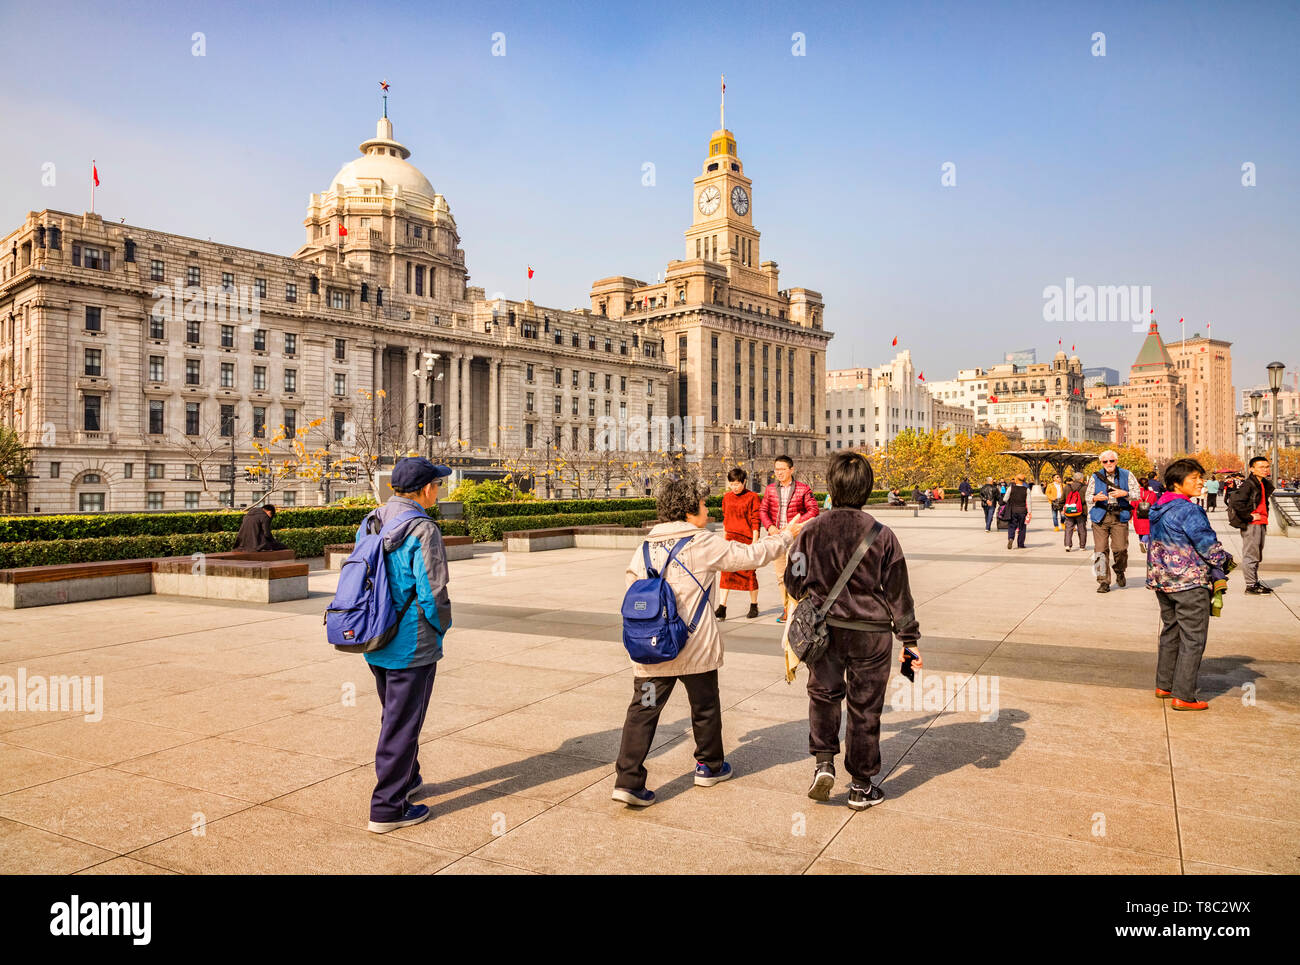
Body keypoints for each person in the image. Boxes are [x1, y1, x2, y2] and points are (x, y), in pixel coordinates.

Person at [613, 474, 799, 807]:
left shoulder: (644, 547)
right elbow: (752, 556)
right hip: (694, 646)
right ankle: (709, 766)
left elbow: (632, 591)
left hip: (652, 649)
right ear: (688, 510)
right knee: (705, 707)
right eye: (702, 505)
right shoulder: (702, 542)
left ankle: (628, 780)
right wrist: (787, 536)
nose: (707, 512)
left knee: (643, 710)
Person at [785, 452, 922, 810]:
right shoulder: (882, 534)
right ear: (867, 488)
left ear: (831, 486)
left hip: (825, 632)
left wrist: (814, 592)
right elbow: (898, 593)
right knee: (865, 708)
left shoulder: (811, 531)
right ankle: (861, 786)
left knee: (824, 696)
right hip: (871, 634)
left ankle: (824, 763)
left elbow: (793, 580)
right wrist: (909, 641)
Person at [359, 457, 453, 833]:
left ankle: (408, 777)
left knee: (395, 715)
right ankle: (387, 808)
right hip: (411, 642)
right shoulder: (423, 529)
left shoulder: (371, 520)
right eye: (437, 485)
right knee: (401, 722)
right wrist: (442, 627)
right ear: (425, 489)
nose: (439, 491)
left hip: (373, 634)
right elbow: (433, 592)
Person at [1146, 458, 1234, 711]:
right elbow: (1207, 545)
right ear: (1176, 483)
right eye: (1194, 478)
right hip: (1189, 582)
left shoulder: (1158, 508)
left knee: (1171, 632)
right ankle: (1184, 695)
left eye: (1200, 477)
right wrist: (1224, 562)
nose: (1200, 482)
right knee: (1193, 638)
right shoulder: (1189, 510)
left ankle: (1164, 684)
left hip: (1163, 581)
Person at [760, 455, 820, 623]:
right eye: (776, 469)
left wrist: (794, 526)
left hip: (797, 541)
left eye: (782, 469)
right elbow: (763, 510)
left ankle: (800, 609)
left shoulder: (803, 489)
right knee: (781, 576)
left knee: (798, 574)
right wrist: (770, 527)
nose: (778, 473)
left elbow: (813, 510)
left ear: (791, 470)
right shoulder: (770, 489)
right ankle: (786, 609)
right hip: (778, 538)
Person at [1089, 450, 1140, 593]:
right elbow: (1088, 496)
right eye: (1105, 461)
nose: (1108, 464)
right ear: (1101, 463)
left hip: (1119, 516)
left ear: (1116, 461)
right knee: (1100, 550)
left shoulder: (1127, 474)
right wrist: (1094, 498)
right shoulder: (1095, 476)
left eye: (1111, 461)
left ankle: (1119, 570)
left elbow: (1137, 494)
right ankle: (1103, 581)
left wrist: (1125, 494)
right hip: (1100, 516)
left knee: (1120, 549)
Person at [716, 467, 762, 620]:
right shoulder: (727, 497)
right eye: (732, 484)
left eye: (737, 484)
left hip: (747, 540)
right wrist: (724, 539)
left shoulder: (752, 497)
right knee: (726, 572)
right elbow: (725, 518)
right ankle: (722, 606)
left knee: (749, 574)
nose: (734, 487)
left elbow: (756, 520)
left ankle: (754, 605)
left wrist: (754, 542)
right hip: (730, 539)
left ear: (744, 482)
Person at [1226, 455, 1275, 594]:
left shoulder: (1262, 483)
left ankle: (1254, 582)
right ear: (1252, 469)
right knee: (1251, 555)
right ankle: (1250, 585)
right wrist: (1249, 516)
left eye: (1267, 467)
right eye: (1261, 467)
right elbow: (1237, 503)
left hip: (1261, 522)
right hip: (1252, 523)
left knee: (1256, 554)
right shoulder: (1248, 484)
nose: (1265, 469)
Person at [1003, 472, 1033, 549]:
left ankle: (1011, 538)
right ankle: (1020, 544)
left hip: (1013, 511)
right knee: (1022, 528)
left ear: (1016, 480)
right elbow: (1029, 502)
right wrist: (1029, 512)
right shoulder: (1027, 490)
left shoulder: (1011, 488)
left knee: (1012, 526)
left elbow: (1005, 499)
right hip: (1023, 511)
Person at [1061, 471, 1088, 552]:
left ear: (1073, 478)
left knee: (1068, 528)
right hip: (1081, 511)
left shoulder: (1066, 487)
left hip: (1069, 510)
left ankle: (1067, 545)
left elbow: (1062, 499)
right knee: (1081, 528)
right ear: (1081, 479)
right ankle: (1082, 546)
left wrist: (1061, 508)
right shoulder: (1085, 488)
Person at [1133, 476, 1160, 554]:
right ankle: (1144, 542)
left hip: (1137, 515)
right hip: (1148, 514)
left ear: (1139, 484)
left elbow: (1132, 504)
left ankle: (1142, 542)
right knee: (1148, 531)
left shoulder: (1136, 493)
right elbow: (1155, 505)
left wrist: (1130, 516)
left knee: (1140, 531)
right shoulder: (1152, 494)